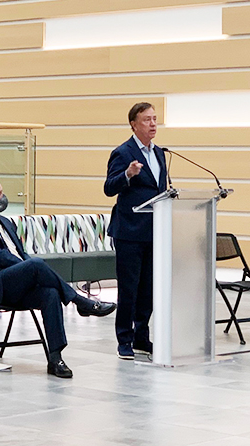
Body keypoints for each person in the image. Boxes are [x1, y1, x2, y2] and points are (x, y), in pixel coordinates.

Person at [0, 175, 116, 378]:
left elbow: (19, 253)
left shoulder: (5, 222)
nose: (4, 197)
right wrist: (28, 269)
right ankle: (80, 301)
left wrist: (27, 268)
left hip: (13, 285)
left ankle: (55, 358)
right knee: (35, 264)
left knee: (49, 293)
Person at [103, 102, 168, 359]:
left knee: (148, 289)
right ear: (134, 124)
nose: (153, 124)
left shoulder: (160, 153)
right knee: (129, 288)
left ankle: (142, 336)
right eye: (147, 120)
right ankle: (124, 340)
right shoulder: (123, 152)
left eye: (155, 119)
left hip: (155, 231)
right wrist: (127, 175)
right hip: (129, 232)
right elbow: (109, 188)